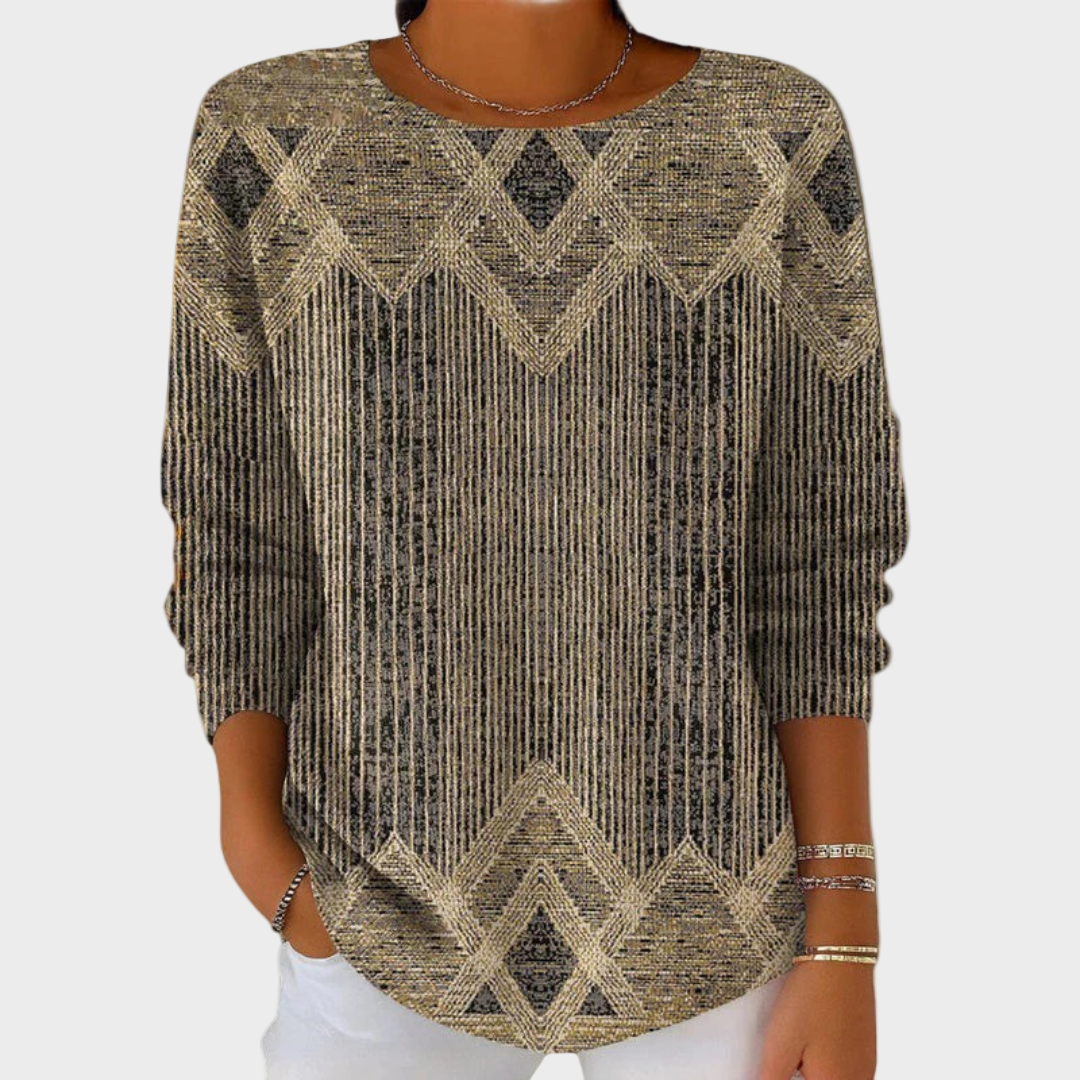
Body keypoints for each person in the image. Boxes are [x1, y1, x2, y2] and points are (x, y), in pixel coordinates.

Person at [160, 1, 909, 1077]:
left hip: (715, 921)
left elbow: (820, 550)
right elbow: (236, 521)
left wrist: (845, 927)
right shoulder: (272, 133)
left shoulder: (771, 132)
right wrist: (264, 858)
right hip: (374, 906)